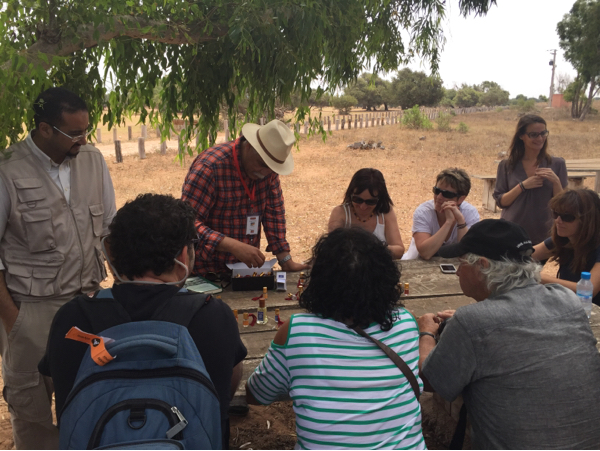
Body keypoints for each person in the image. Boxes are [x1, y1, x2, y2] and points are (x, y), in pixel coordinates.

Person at [39, 194, 247, 448]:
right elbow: (224, 391)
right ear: (184, 254)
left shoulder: (72, 318)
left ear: (111, 253)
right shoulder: (214, 316)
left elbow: (62, 392)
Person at [0, 87, 116, 449]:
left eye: (86, 130)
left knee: (91, 400)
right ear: (45, 129)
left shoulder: (93, 160)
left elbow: (111, 230)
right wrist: (13, 320)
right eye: (75, 133)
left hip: (88, 305)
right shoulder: (7, 171)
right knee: (32, 412)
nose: (83, 140)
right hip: (32, 311)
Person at [418, 219, 600, 449]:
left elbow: (429, 380)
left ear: (482, 265)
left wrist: (427, 333)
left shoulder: (471, 322)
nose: (457, 273)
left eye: (460, 264)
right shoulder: (568, 301)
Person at [246, 227, 425, 450]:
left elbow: (256, 394)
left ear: (320, 280)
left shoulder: (298, 332)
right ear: (386, 279)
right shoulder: (406, 323)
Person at [181, 119, 308, 277]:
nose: (265, 173)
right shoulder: (210, 168)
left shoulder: (268, 172)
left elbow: (274, 214)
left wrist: (285, 259)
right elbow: (186, 223)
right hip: (206, 273)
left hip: (244, 272)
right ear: (249, 146)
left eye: (272, 168)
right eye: (262, 164)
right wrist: (230, 245)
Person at [493, 114, 567, 245]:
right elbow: (501, 202)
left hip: (543, 232)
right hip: (511, 231)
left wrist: (556, 182)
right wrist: (522, 186)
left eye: (543, 133)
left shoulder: (557, 164)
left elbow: (564, 205)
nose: (540, 138)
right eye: (534, 135)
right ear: (521, 136)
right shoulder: (506, 165)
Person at [532, 188, 600, 305]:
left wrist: (537, 277)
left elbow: (589, 290)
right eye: (555, 214)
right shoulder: (563, 240)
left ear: (587, 220)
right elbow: (525, 254)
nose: (558, 220)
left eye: (567, 217)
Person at [402, 167, 479, 260]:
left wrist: (461, 222)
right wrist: (449, 222)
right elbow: (425, 253)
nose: (439, 197)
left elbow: (467, 254)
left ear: (461, 198)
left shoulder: (470, 213)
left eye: (447, 194)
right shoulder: (423, 212)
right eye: (437, 191)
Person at [327, 168, 405, 258]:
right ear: (350, 194)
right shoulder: (340, 213)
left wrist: (370, 248)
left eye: (370, 202)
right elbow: (331, 248)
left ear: (380, 199)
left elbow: (399, 250)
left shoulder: (385, 213)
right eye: (357, 200)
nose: (363, 206)